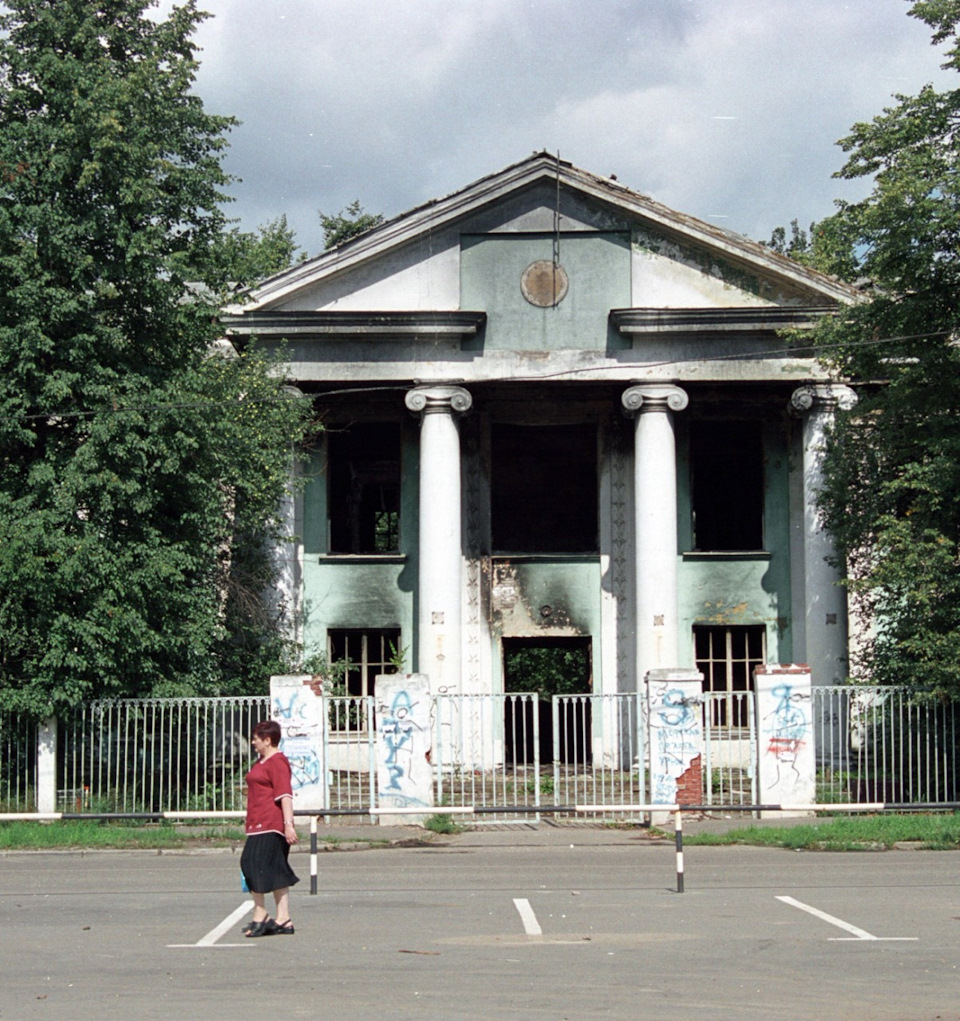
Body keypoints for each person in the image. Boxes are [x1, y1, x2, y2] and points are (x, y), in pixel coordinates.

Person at [239, 720, 299, 937]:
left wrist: (288, 825)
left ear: (268, 740)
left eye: (256, 738)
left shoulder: (277, 762)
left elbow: (285, 795)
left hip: (270, 824)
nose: (253, 742)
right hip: (257, 823)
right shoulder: (262, 761)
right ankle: (283, 919)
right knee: (272, 868)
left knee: (251, 863)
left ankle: (262, 914)